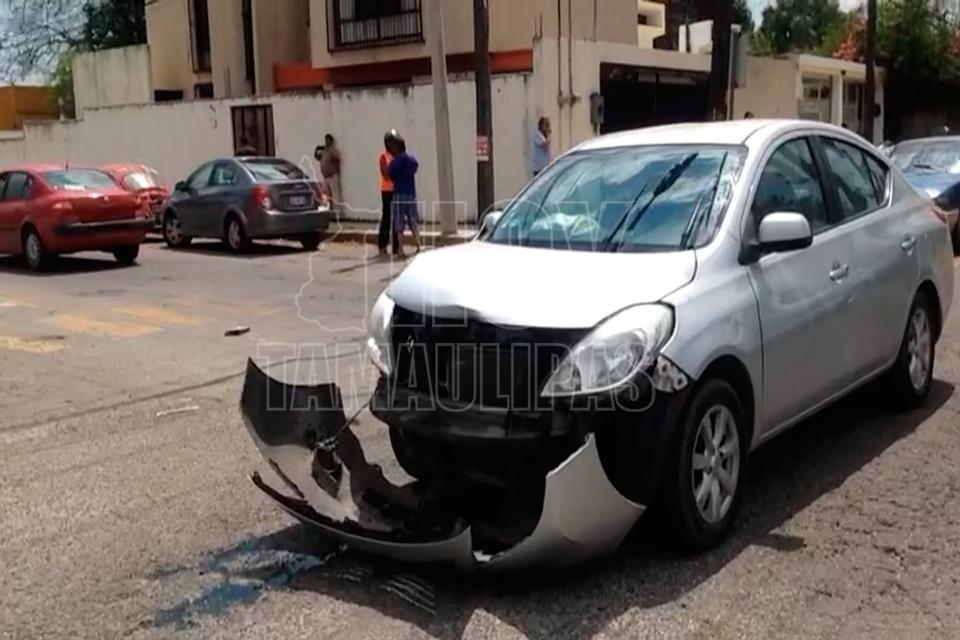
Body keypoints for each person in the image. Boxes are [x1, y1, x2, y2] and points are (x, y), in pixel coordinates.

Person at [388, 135, 421, 258]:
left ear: (396, 147)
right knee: (413, 221)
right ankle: (418, 245)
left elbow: (390, 174)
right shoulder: (411, 159)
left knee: (399, 222)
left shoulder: (395, 161)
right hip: (411, 193)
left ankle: (401, 249)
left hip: (399, 194)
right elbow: (415, 168)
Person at [378, 130, 401, 257]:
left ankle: (396, 247)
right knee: (386, 217)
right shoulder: (384, 157)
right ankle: (382, 245)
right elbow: (386, 174)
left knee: (397, 218)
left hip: (397, 190)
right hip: (387, 191)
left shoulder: (398, 156)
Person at [317, 134, 342, 213]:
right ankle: (329, 211)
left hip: (332, 175)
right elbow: (317, 157)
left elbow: (337, 158)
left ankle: (338, 212)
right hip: (326, 176)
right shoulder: (324, 151)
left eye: (328, 141)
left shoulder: (332, 150)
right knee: (325, 195)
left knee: (335, 195)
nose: (326, 142)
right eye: (326, 140)